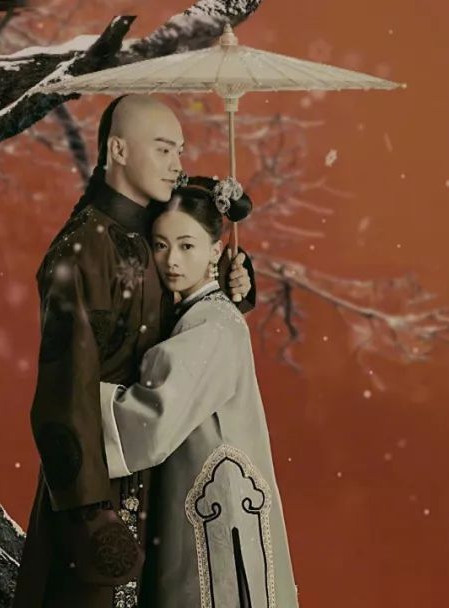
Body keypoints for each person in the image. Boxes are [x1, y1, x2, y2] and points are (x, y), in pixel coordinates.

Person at [12, 96, 255, 608]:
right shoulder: (80, 251)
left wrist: (227, 280)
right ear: (118, 150)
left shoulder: (152, 231)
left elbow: (181, 298)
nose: (176, 164)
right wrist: (90, 514)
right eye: (163, 149)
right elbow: (63, 391)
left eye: (179, 150)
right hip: (98, 476)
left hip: (156, 469)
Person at [99, 177, 298, 607]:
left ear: (215, 250)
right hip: (210, 499)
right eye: (160, 245)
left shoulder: (211, 325)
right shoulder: (203, 314)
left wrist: (78, 399)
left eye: (187, 246)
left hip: (220, 510)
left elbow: (151, 420)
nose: (172, 260)